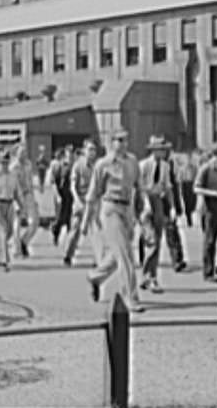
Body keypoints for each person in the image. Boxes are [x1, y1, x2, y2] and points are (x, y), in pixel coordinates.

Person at [84, 129, 145, 312]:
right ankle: (130, 297)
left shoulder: (132, 161)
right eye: (119, 140)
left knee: (117, 254)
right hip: (110, 208)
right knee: (126, 255)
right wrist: (86, 219)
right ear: (111, 142)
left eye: (126, 140)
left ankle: (95, 276)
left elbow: (138, 188)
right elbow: (93, 193)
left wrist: (139, 214)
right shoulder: (103, 164)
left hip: (127, 208)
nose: (123, 144)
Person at [138, 136, 182, 293]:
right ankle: (149, 276)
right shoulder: (143, 165)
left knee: (158, 239)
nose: (164, 152)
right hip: (145, 201)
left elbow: (168, 187)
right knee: (152, 241)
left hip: (158, 200)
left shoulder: (165, 166)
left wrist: (172, 207)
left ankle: (149, 276)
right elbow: (139, 188)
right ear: (154, 150)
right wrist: (146, 205)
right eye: (161, 149)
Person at [194, 143, 217, 282]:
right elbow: (197, 188)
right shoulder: (206, 169)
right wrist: (215, 194)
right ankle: (208, 272)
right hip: (209, 207)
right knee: (210, 241)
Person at [64, 139, 102, 267]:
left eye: (94, 150)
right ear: (84, 150)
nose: (92, 152)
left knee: (95, 231)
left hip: (93, 202)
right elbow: (73, 185)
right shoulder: (78, 165)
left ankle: (98, 259)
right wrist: (77, 200)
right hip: (80, 200)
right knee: (75, 230)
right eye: (90, 149)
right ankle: (68, 255)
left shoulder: (98, 166)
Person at [9, 144, 39, 258]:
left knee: (34, 222)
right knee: (17, 223)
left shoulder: (28, 164)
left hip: (29, 195)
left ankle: (24, 241)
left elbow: (30, 181)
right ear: (16, 154)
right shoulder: (13, 167)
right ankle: (17, 250)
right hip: (17, 196)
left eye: (25, 152)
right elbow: (13, 185)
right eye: (21, 152)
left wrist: (33, 197)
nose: (24, 154)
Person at [49, 146, 75, 247]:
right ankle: (55, 232)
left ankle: (70, 243)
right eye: (68, 154)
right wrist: (57, 195)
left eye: (72, 154)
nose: (70, 156)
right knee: (60, 218)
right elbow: (53, 182)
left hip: (71, 196)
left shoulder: (74, 166)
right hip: (61, 196)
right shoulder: (59, 166)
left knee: (70, 219)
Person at [176, 151, 199, 227]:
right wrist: (180, 188)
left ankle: (191, 212)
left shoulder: (194, 168)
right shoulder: (182, 168)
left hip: (192, 184)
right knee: (187, 203)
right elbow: (179, 179)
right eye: (187, 159)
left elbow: (197, 177)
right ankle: (189, 220)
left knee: (193, 203)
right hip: (185, 185)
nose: (189, 160)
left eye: (190, 158)